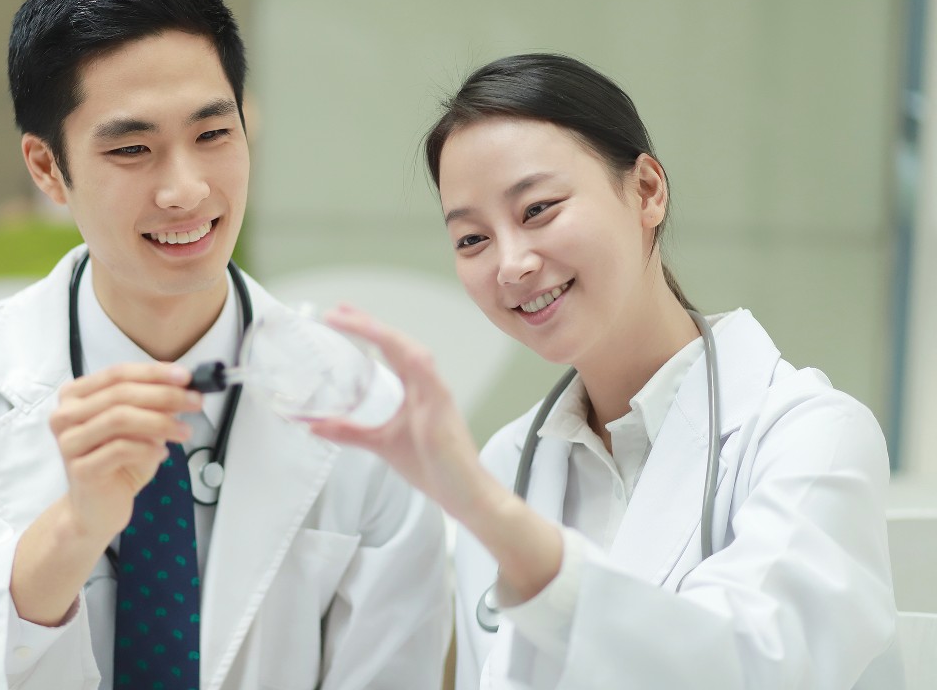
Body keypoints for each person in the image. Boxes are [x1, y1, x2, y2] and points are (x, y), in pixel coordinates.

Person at [0, 0, 449, 688]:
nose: (186, 189)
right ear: (48, 168)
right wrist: (71, 530)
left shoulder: (365, 414)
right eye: (133, 150)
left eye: (215, 133)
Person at [310, 53, 901, 689]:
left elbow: (754, 670)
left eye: (537, 209)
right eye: (472, 240)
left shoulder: (812, 437)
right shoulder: (509, 463)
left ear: (647, 190)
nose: (511, 264)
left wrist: (506, 531)